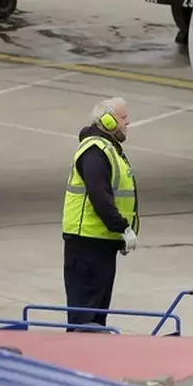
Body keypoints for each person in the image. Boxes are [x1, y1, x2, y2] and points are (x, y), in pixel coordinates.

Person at [62, 98, 139, 330]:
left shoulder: (110, 150)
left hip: (101, 244)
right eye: (123, 118)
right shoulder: (95, 151)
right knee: (84, 318)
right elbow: (100, 197)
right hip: (87, 244)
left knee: (96, 316)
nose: (128, 123)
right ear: (107, 120)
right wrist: (122, 228)